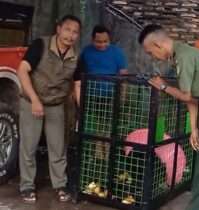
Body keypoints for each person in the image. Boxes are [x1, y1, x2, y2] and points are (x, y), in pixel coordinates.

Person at [138, 24, 199, 210]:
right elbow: (192, 97)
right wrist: (193, 129)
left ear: (159, 45)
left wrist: (163, 87)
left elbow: (185, 95)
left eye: (150, 52)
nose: (152, 56)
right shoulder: (181, 54)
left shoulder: (183, 56)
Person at [17, 14, 81, 203]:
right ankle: (27, 186)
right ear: (59, 29)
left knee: (58, 147)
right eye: (67, 29)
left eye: (75, 32)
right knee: (28, 146)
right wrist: (35, 100)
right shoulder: (41, 45)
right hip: (31, 101)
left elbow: (77, 85)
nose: (70, 35)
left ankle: (60, 185)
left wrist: (82, 111)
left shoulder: (76, 56)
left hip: (56, 104)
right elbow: (22, 70)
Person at [74, 24, 128, 158]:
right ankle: (99, 153)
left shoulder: (116, 52)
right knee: (96, 125)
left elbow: (123, 74)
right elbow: (78, 75)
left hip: (111, 95)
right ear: (92, 40)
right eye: (99, 42)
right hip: (91, 95)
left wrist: (123, 94)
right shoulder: (86, 52)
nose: (103, 44)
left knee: (109, 125)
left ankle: (109, 153)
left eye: (105, 41)